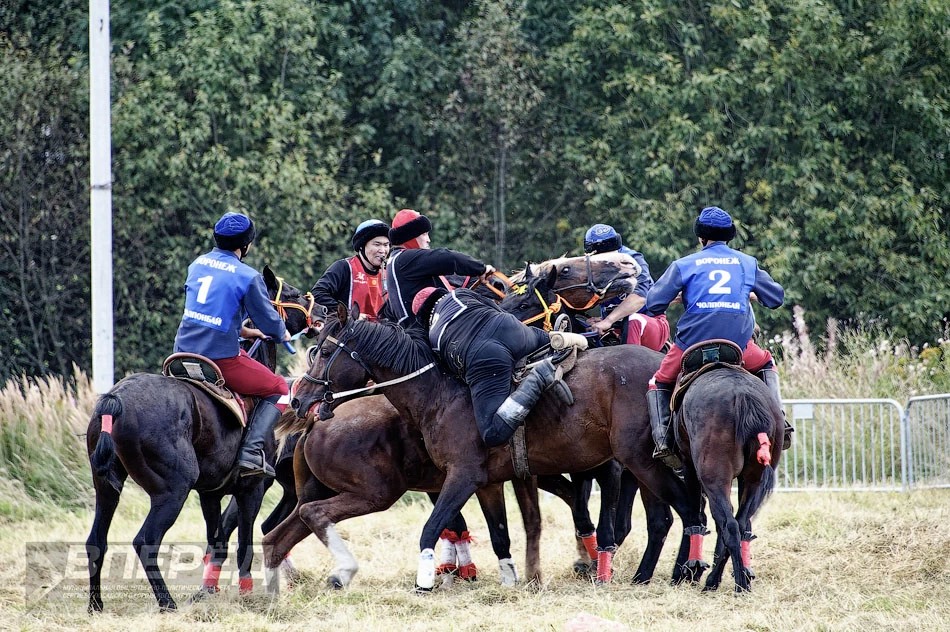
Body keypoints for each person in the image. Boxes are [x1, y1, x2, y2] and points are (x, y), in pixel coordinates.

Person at [642, 207, 792, 469]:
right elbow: (775, 298)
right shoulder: (747, 263)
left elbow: (654, 304)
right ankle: (781, 423)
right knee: (766, 363)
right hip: (738, 344)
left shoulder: (684, 265)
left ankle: (664, 440)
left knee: (659, 381)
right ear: (730, 236)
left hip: (692, 344)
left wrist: (685, 294)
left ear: (701, 237)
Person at [174, 212, 291, 478]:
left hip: (181, 352)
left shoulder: (197, 264)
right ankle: (250, 453)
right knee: (280, 388)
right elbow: (270, 322)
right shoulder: (248, 276)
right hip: (219, 360)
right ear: (246, 245)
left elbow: (212, 310)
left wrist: (246, 331)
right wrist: (281, 333)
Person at [412, 286, 587, 447]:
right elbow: (498, 309)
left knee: (492, 434)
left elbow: (454, 377)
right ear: (439, 294)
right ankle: (562, 339)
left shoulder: (432, 336)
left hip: (483, 356)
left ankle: (538, 377)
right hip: (509, 328)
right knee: (540, 337)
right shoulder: (459, 294)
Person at [384, 208, 496, 328]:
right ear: (411, 236)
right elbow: (449, 258)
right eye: (424, 234)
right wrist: (481, 269)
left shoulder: (397, 259)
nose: (428, 239)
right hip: (421, 333)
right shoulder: (405, 259)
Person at [583, 223, 670, 351]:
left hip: (651, 324)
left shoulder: (633, 260)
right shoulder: (590, 265)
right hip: (615, 326)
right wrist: (593, 320)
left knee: (633, 320)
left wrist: (608, 320)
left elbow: (640, 298)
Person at [311, 219, 390, 320]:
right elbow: (317, 294)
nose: (383, 250)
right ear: (362, 246)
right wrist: (348, 314)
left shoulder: (389, 273)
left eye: (386, 245)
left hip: (381, 333)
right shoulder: (344, 267)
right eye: (377, 244)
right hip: (348, 333)